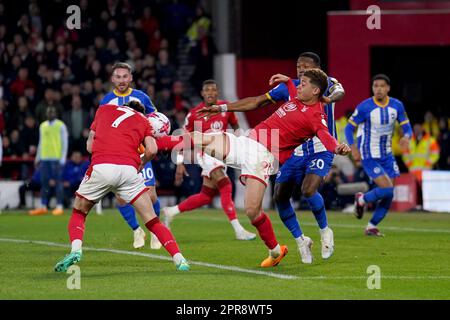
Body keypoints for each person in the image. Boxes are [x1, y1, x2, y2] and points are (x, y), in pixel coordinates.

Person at [161, 69, 351, 267]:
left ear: (315, 90)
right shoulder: (296, 93)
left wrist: (337, 147)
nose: (298, 84)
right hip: (247, 143)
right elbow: (284, 88)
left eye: (303, 82)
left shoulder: (315, 115)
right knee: (198, 138)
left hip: (263, 157)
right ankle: (155, 143)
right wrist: (286, 80)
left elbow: (325, 134)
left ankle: (277, 250)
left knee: (252, 211)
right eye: (298, 81)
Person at [205, 52, 345, 264]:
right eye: (299, 66)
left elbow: (340, 93)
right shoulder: (291, 88)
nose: (301, 70)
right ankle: (301, 241)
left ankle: (325, 231)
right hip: (292, 151)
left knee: (308, 189)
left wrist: (326, 98)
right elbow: (256, 102)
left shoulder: (324, 84)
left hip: (319, 147)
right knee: (280, 196)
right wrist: (223, 107)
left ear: (317, 68)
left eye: (306, 66)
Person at [54, 101, 190, 272]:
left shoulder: (104, 109)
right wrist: (141, 163)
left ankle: (75, 250)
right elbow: (153, 149)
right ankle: (179, 259)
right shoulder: (143, 121)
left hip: (102, 166)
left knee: (79, 212)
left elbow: (89, 147)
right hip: (128, 170)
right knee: (152, 220)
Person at [163, 79, 256, 241]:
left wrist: (241, 143)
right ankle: (238, 229)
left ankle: (171, 211)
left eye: (213, 90)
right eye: (207, 90)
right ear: (202, 93)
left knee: (206, 196)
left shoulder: (226, 108)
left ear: (217, 92)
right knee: (225, 184)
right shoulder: (194, 114)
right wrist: (179, 162)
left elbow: (235, 126)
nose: (210, 93)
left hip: (223, 153)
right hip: (205, 153)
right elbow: (182, 139)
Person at [100, 62, 162, 249]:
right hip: (118, 153)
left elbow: (156, 119)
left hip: (141, 151)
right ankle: (137, 230)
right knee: (121, 197)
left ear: (131, 78)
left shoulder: (141, 97)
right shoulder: (106, 101)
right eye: (118, 77)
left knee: (150, 195)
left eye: (124, 76)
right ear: (112, 79)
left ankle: (155, 232)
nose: (121, 80)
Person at [345, 74, 413, 236]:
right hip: (369, 154)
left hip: (387, 155)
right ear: (372, 88)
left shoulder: (397, 106)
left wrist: (406, 137)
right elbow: (349, 128)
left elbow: (407, 127)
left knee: (389, 193)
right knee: (387, 189)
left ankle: (371, 226)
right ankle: (361, 199)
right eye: (376, 86)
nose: (379, 89)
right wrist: (353, 148)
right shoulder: (365, 107)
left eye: (382, 86)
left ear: (388, 88)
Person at [29, 106, 68, 216]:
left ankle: (59, 206)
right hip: (45, 158)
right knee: (44, 183)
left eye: (52, 112)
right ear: (46, 114)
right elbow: (41, 143)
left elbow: (65, 142)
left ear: (55, 113)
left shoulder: (61, 125)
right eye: (49, 112)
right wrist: (38, 158)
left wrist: (63, 158)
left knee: (58, 183)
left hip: (56, 158)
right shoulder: (43, 126)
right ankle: (43, 206)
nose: (50, 114)